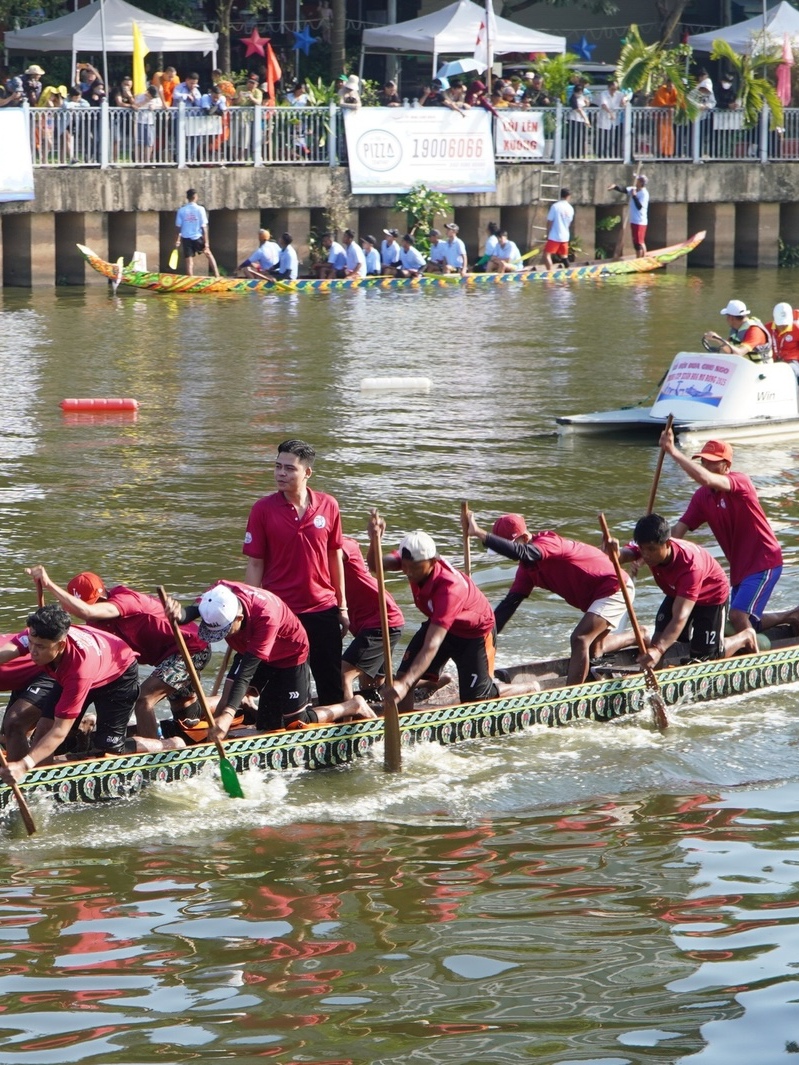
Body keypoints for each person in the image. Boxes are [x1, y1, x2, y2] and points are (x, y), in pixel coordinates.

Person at [25, 565, 211, 746]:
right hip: (162, 658)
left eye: (95, 605)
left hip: (190, 648)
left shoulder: (126, 600)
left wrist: (48, 584)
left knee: (144, 698)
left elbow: (87, 610)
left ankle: (154, 755)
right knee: (187, 716)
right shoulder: (95, 624)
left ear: (103, 597)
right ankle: (227, 708)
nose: (91, 616)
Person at [162, 582, 374, 739]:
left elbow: (245, 674)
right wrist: (179, 614)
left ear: (239, 617)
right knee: (247, 712)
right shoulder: (218, 593)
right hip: (251, 649)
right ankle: (216, 738)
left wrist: (227, 715)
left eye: (226, 631)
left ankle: (353, 705)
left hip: (290, 655)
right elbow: (194, 609)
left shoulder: (266, 617)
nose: (224, 637)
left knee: (295, 722)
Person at [466, 510, 636, 685]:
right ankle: (639, 636)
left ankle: (572, 697)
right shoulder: (526, 570)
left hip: (614, 586)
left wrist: (480, 533)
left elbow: (524, 553)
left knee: (580, 639)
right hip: (595, 596)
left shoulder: (549, 542)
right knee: (594, 649)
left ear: (524, 539)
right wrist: (479, 640)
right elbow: (507, 608)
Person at [243, 438, 347, 704]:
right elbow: (255, 564)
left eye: (289, 469)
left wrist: (343, 607)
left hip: (322, 609)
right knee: (273, 682)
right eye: (278, 467)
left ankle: (334, 732)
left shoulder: (329, 505)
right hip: (281, 612)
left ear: (307, 473)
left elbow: (334, 555)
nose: (281, 474)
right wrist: (254, 613)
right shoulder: (262, 510)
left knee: (329, 682)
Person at [0, 604, 148, 786]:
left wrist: (23, 765)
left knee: (108, 750)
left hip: (118, 675)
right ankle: (39, 787)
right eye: (30, 643)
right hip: (87, 665)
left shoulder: (78, 671)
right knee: (43, 729)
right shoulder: (37, 633)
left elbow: (60, 731)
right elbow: (6, 652)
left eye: (40, 647)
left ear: (61, 645)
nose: (32, 651)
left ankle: (167, 745)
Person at [660, 430, 784, 639]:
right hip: (739, 568)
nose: (706, 466)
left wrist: (673, 451)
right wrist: (648, 551)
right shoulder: (702, 498)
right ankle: (792, 616)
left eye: (712, 462)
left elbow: (707, 479)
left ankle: (751, 664)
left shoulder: (740, 482)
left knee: (737, 616)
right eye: (703, 461)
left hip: (764, 561)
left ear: (726, 466)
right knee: (740, 622)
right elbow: (677, 533)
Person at [366, 520, 498, 712]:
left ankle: (523, 688)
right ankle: (405, 725)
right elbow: (375, 565)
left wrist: (405, 683)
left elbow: (431, 646)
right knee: (403, 677)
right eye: (405, 566)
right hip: (441, 624)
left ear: (433, 562)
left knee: (475, 703)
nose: (408, 572)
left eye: (415, 568)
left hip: (474, 636)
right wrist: (374, 541)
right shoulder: (411, 559)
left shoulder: (449, 589)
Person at [610, 513, 756, 669]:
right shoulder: (649, 543)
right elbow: (626, 554)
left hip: (711, 596)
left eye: (651, 549)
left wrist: (659, 650)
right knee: (658, 638)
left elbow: (680, 616)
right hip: (678, 592)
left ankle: (745, 637)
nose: (645, 555)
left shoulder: (690, 566)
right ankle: (651, 679)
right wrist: (613, 552)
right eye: (642, 549)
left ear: (667, 544)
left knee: (706, 658)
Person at [340, 536, 404, 700]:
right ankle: (427, 685)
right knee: (372, 688)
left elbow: (336, 554)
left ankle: (346, 720)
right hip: (371, 623)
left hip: (383, 621)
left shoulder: (344, 545)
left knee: (344, 675)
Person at [703, 300, 771, 362]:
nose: (726, 319)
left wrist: (718, 339)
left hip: (759, 371)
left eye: (727, 316)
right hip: (742, 368)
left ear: (731, 318)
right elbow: (729, 351)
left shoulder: (755, 331)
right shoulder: (736, 330)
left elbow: (739, 353)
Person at [174, 187, 220, 278]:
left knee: (189, 261)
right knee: (208, 254)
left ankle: (190, 278)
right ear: (195, 197)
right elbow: (204, 227)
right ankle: (217, 276)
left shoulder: (181, 210)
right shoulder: (200, 209)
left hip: (186, 238)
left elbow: (178, 228)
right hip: (197, 237)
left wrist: (177, 240)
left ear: (187, 198)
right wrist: (206, 243)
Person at [608, 174, 649, 256]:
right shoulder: (634, 189)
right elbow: (624, 190)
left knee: (639, 243)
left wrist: (634, 196)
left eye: (637, 180)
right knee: (636, 242)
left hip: (640, 221)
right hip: (634, 221)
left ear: (641, 183)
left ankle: (641, 259)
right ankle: (641, 258)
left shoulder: (644, 193)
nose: (636, 181)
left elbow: (639, 207)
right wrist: (615, 187)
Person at [544, 187, 574, 270]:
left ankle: (550, 272)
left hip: (555, 235)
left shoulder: (555, 206)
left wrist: (547, 234)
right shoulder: (570, 208)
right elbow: (569, 223)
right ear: (568, 196)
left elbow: (549, 221)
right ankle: (568, 270)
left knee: (547, 254)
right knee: (564, 256)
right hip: (565, 236)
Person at [766, 302, 799, 374]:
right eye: (780, 324)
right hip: (772, 361)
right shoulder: (767, 328)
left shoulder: (797, 328)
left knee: (791, 371)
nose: (783, 326)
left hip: (792, 362)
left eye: (786, 323)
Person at [650, 76, 678, 157]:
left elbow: (678, 101)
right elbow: (662, 104)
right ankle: (660, 153)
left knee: (669, 135)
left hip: (668, 117)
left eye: (671, 86)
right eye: (668, 86)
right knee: (661, 135)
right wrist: (672, 106)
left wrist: (673, 106)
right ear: (666, 85)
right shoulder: (661, 90)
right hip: (660, 116)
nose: (670, 88)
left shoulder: (675, 91)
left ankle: (669, 153)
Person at [596, 80, 623, 158]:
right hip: (605, 118)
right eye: (612, 89)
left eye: (615, 89)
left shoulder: (619, 94)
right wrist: (610, 113)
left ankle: (612, 155)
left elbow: (623, 100)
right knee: (603, 138)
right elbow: (604, 105)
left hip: (615, 120)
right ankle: (601, 156)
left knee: (613, 138)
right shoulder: (603, 94)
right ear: (608, 88)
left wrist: (624, 102)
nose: (614, 91)